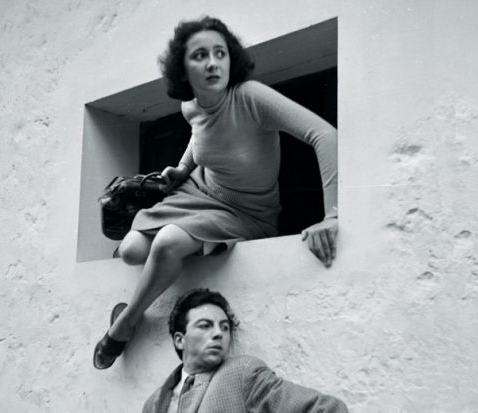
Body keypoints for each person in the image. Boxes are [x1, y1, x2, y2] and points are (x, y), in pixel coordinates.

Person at [93, 16, 338, 369]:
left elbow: (324, 136)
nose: (211, 63)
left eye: (219, 53)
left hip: (247, 212)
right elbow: (201, 136)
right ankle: (177, 256)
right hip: (199, 194)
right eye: (199, 56)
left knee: (165, 243)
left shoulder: (250, 97)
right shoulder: (190, 106)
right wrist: (182, 168)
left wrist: (331, 215)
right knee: (131, 251)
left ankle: (124, 324)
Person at [142, 288, 348, 413]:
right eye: (205, 325)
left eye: (224, 327)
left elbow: (326, 409)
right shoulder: (154, 402)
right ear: (180, 340)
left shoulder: (243, 373)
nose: (218, 334)